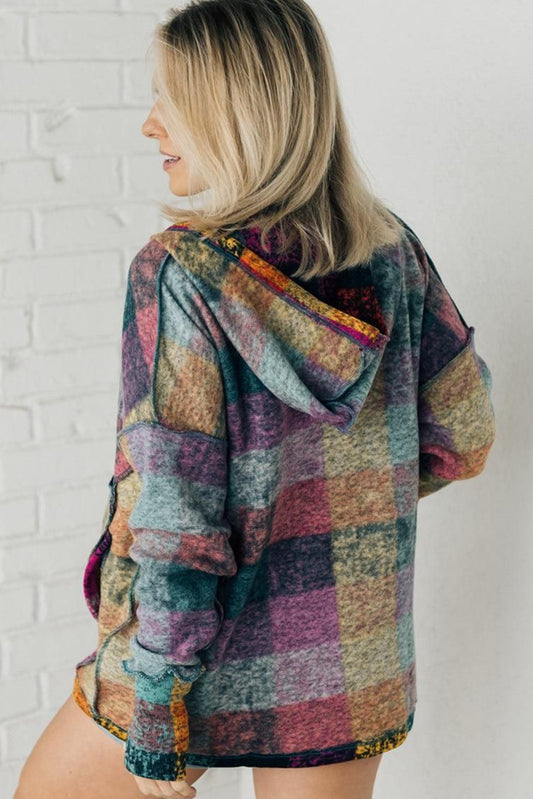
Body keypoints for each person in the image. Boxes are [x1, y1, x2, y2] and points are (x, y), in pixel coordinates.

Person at [14, 1, 497, 798]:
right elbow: (463, 434)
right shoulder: (393, 255)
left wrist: (157, 710)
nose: (149, 124)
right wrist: (342, 501)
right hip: (345, 660)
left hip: (189, 657)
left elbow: (177, 515)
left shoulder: (183, 274)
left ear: (235, 114)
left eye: (171, 100)